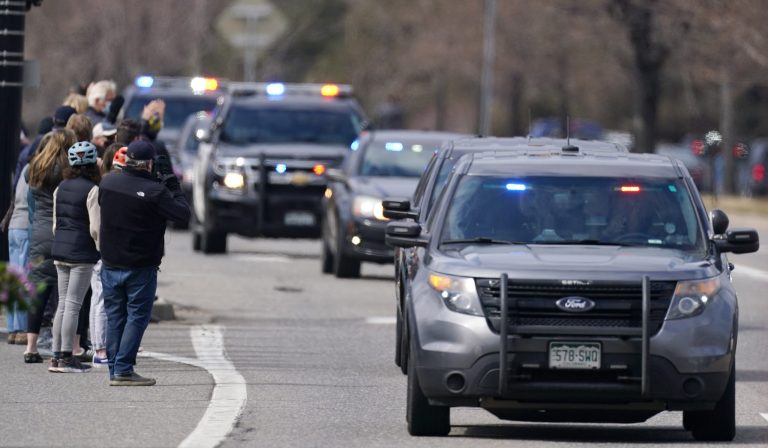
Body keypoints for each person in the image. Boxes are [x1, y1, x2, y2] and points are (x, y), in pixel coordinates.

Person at [99, 141, 190, 385]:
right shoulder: (155, 192)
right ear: (149, 163)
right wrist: (172, 183)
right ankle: (123, 369)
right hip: (140, 264)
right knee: (137, 316)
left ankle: (114, 369)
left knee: (115, 316)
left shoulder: (107, 182)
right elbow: (182, 214)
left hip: (110, 261)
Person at [24, 129, 77, 363]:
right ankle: (62, 347)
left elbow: (30, 201)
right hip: (61, 231)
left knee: (38, 291)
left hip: (39, 231)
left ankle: (30, 347)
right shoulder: (67, 171)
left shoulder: (35, 167)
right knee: (63, 295)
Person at [49, 142, 101, 373]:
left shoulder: (60, 187)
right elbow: (95, 227)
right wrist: (100, 248)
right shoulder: (93, 189)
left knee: (62, 303)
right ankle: (68, 357)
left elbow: (55, 223)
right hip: (81, 252)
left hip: (60, 249)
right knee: (73, 305)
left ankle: (56, 354)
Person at [4, 165, 31, 345]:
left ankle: (13, 327)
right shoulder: (39, 168)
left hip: (14, 225)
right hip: (26, 225)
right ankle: (21, 328)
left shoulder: (26, 168)